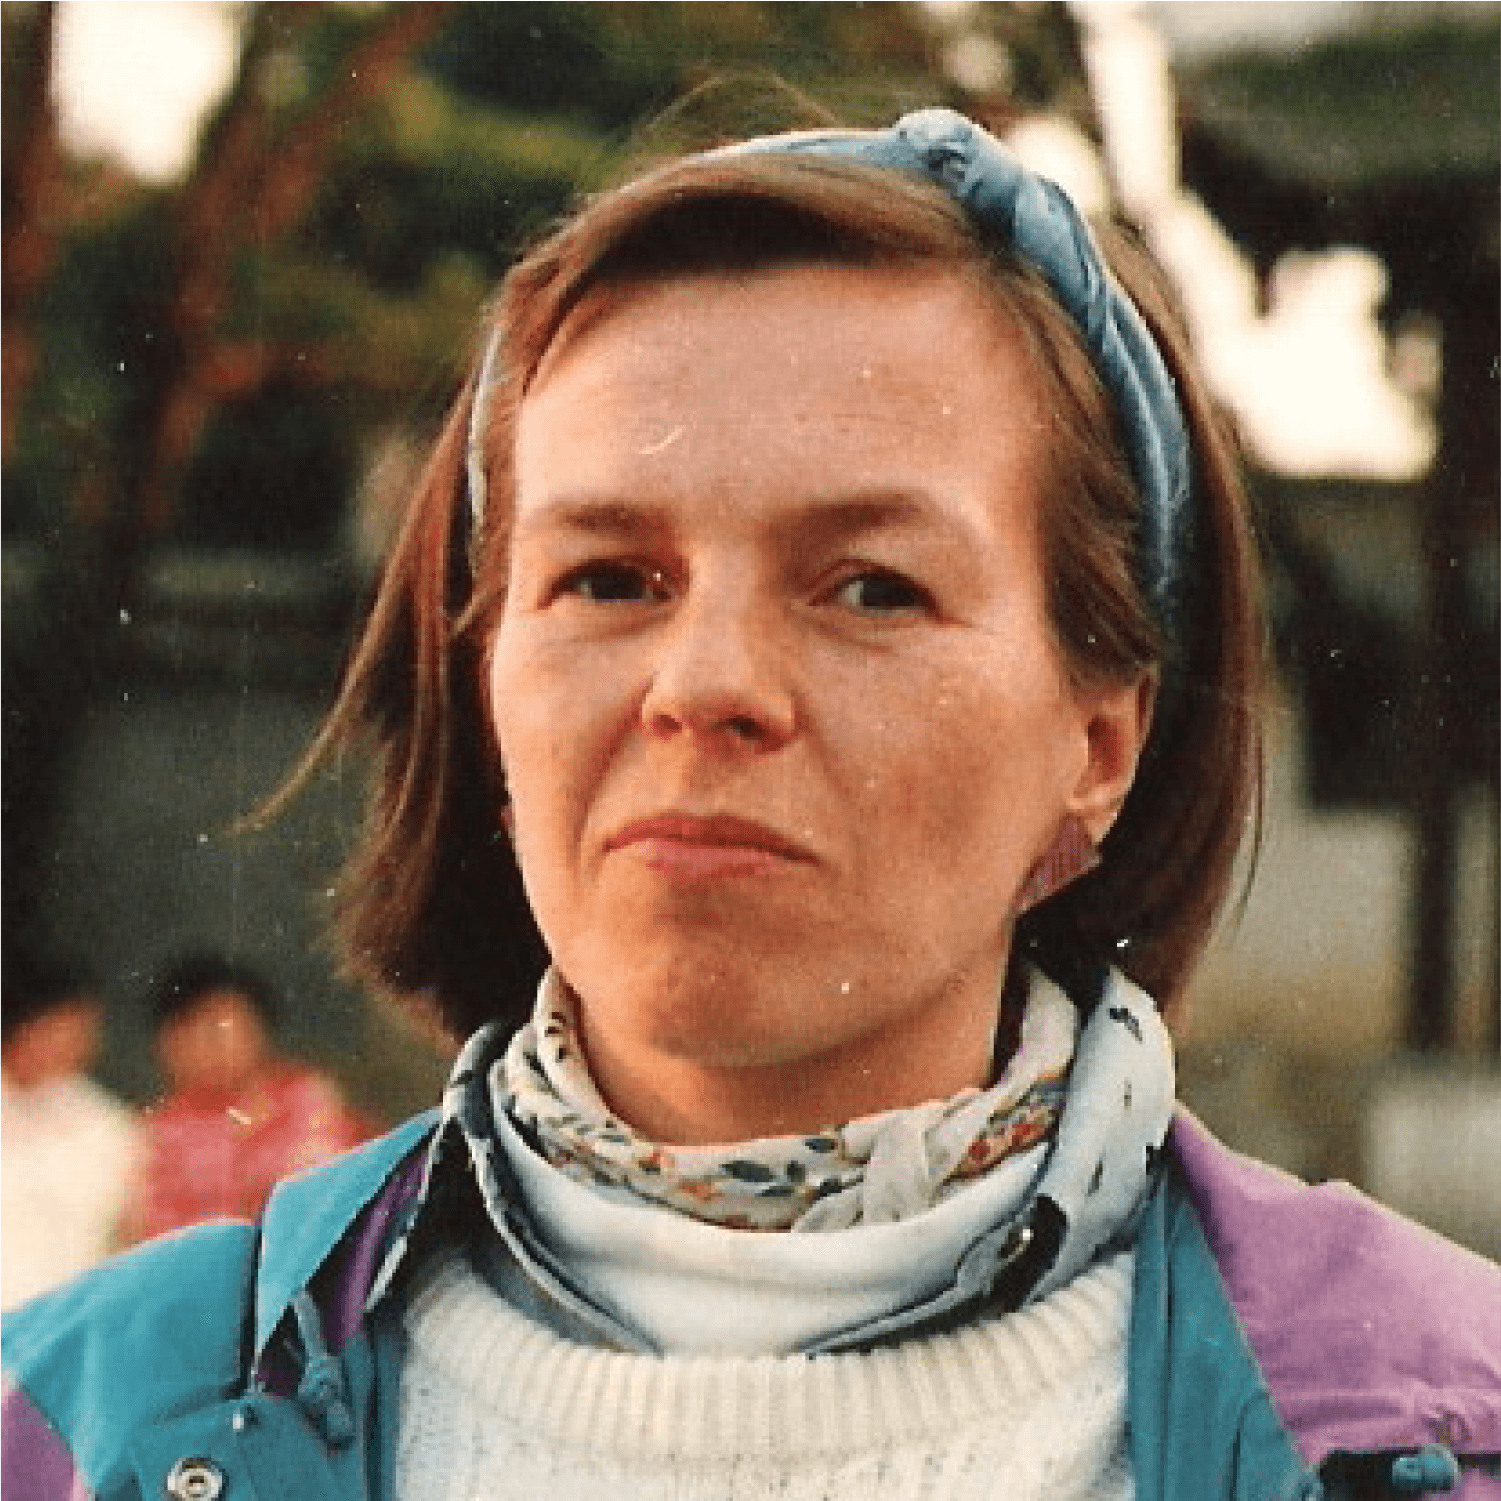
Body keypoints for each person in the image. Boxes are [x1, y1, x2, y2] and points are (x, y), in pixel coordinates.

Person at [3, 106, 1497, 1501]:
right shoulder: (76, 1425)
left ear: (1097, 743)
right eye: (608, 578)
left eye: (872, 587)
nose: (703, 684)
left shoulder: (1428, 1420)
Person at [119, 952, 371, 1243]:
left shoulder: (311, 1102)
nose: (203, 1044)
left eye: (217, 1028)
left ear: (258, 1026)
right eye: (186, 1030)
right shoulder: (153, 1136)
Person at [0, 959, 136, 1312]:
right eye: (61, 1027)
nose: (80, 1044)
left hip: (65, 1320)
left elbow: (119, 1239)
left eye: (85, 1030)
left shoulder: (108, 1125)